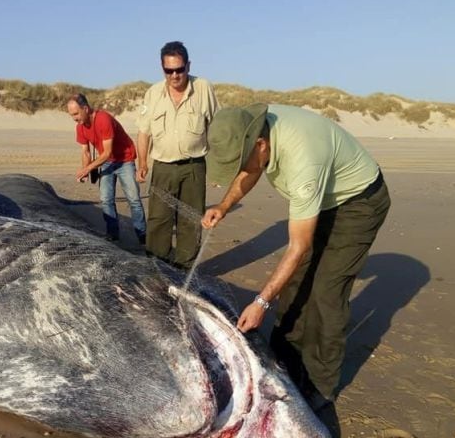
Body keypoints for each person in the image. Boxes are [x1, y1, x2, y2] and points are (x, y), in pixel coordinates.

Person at [201, 103, 391, 412]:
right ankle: (283, 360)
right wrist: (224, 206)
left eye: (240, 161)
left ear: (261, 145)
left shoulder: (303, 163)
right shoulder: (251, 127)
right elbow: (249, 171)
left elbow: (298, 247)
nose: (239, 169)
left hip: (358, 203)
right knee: (296, 284)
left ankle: (321, 385)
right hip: (323, 196)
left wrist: (261, 302)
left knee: (326, 292)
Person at [136, 41, 218, 269]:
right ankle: (156, 268)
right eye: (169, 70)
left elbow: (217, 128)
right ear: (162, 69)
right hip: (162, 167)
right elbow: (143, 132)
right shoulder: (153, 94)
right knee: (159, 221)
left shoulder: (203, 88)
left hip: (194, 167)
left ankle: (184, 269)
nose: (174, 75)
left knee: (190, 220)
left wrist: (220, 169)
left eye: (179, 69)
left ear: (188, 66)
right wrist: (142, 163)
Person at [67, 93, 146, 244]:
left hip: (125, 159)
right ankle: (112, 233)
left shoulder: (103, 119)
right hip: (106, 162)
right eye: (71, 115)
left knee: (134, 199)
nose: (75, 118)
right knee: (106, 199)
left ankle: (142, 233)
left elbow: (107, 152)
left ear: (85, 108)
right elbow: (86, 151)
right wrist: (85, 169)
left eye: (76, 114)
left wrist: (88, 168)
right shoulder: (80, 127)